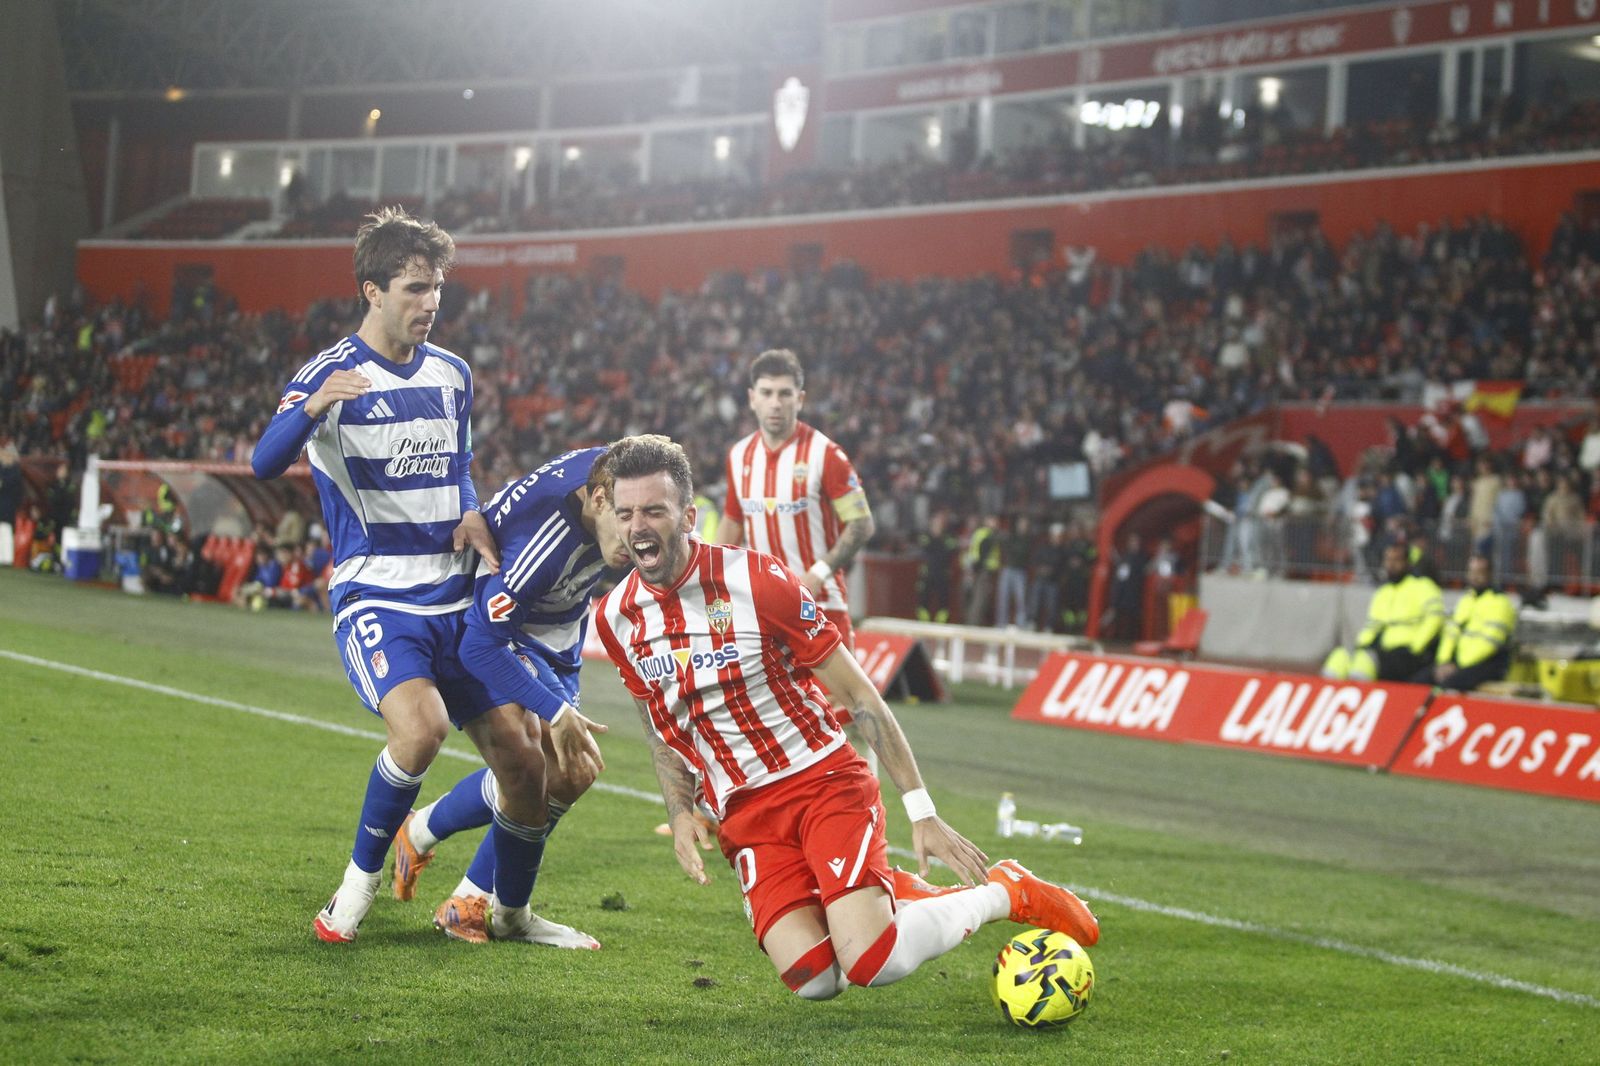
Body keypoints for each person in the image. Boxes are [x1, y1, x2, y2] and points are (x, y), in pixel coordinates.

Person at [593, 435, 1098, 1002]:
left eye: (654, 511)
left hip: (821, 781)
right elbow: (661, 729)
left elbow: (860, 697)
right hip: (744, 811)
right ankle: (880, 892)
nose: (638, 526)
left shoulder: (758, 582)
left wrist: (922, 809)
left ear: (688, 516)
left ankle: (1004, 892)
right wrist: (681, 811)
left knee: (870, 962)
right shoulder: (616, 618)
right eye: (627, 512)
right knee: (815, 981)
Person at [252, 206, 539, 945]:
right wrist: (313, 406)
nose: (431, 302)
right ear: (372, 291)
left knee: (526, 764)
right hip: (378, 593)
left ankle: (487, 902)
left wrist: (472, 511)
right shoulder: (330, 375)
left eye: (437, 287)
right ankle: (355, 888)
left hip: (457, 595)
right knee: (421, 729)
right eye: (415, 288)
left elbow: (459, 469)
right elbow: (263, 461)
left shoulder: (452, 374)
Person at [393, 445, 629, 948]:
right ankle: (477, 903)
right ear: (601, 500)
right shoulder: (542, 542)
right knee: (537, 768)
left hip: (559, 632)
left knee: (572, 772)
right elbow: (481, 642)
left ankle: (420, 833)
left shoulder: (623, 476)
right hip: (506, 634)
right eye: (626, 517)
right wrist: (554, 709)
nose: (635, 531)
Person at [717, 349, 875, 654]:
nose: (775, 403)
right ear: (752, 398)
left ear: (800, 399)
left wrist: (818, 574)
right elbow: (733, 523)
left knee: (843, 703)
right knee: (770, 703)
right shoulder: (739, 456)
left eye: (784, 394)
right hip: (762, 609)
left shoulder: (826, 455)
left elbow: (862, 523)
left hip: (822, 605)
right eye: (767, 393)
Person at [1322, 541, 1445, 682]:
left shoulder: (1424, 587)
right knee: (1340, 657)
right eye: (1388, 560)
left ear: (1407, 563)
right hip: (1383, 651)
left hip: (1408, 654)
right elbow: (1372, 626)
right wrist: (1360, 646)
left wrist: (1416, 647)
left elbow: (1434, 620)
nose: (1391, 564)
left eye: (1396, 560)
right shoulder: (1382, 592)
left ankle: (1362, 698)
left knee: (1365, 662)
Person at [1428, 553, 1517, 692]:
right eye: (1471, 572)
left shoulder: (1500, 603)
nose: (1474, 577)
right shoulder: (1466, 600)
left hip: (1486, 664)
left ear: (1490, 574)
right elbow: (1450, 634)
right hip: (1458, 664)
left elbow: (1489, 644)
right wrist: (1443, 661)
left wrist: (1459, 666)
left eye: (1480, 573)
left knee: (1448, 685)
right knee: (1420, 679)